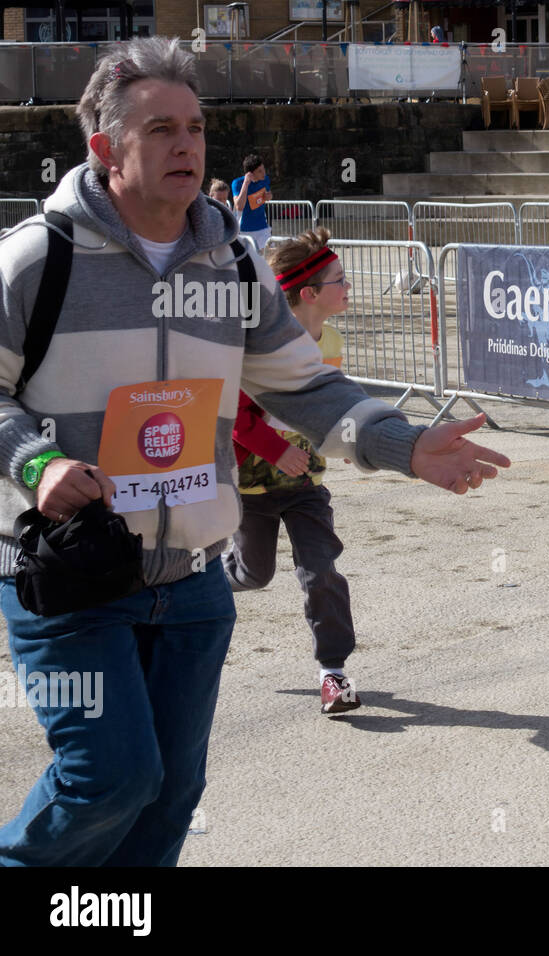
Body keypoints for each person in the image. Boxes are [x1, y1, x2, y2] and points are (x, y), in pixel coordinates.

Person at [0, 37, 509, 867]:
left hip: (194, 585)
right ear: (104, 148)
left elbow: (306, 387)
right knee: (109, 780)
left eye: (195, 127)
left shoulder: (232, 264)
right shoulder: (36, 259)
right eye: (160, 128)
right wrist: (34, 462)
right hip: (71, 577)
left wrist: (406, 445)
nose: (186, 145)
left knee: (168, 801)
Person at [223, 228, 361, 715]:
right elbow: (235, 414)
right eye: (339, 280)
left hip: (306, 485)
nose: (348, 287)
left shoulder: (335, 338)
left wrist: (346, 440)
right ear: (309, 294)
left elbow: (329, 403)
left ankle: (333, 672)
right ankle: (203, 584)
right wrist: (274, 449)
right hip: (252, 485)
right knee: (253, 574)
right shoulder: (258, 343)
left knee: (320, 569)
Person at [232, 153, 273, 252]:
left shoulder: (265, 179)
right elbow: (239, 206)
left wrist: (269, 197)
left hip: (262, 228)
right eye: (259, 171)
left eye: (263, 169)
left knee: (269, 258)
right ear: (250, 173)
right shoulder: (237, 183)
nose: (264, 173)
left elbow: (269, 194)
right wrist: (246, 183)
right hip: (244, 230)